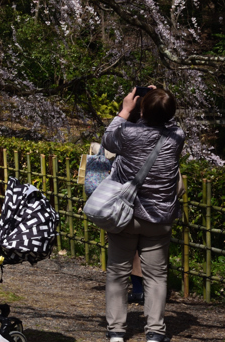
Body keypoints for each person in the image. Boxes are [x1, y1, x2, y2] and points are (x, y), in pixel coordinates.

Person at [103, 87, 184, 342]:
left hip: (125, 214)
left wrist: (127, 109)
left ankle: (116, 332)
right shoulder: (176, 136)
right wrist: (157, 102)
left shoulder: (126, 133)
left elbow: (108, 140)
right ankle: (155, 333)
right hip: (159, 217)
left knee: (117, 271)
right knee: (156, 275)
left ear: (141, 109)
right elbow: (166, 121)